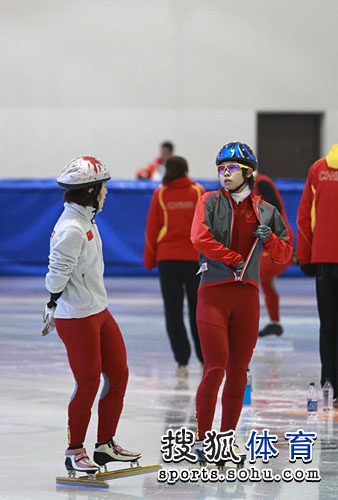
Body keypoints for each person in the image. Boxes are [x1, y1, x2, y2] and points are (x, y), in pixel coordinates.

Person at [190, 142, 292, 460]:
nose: (225, 174)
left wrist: (271, 239)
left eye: (232, 169)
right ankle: (203, 439)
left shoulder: (265, 210)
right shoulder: (208, 201)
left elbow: (287, 251)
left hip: (247, 296)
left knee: (238, 371)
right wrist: (233, 258)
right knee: (215, 366)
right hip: (213, 293)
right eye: (221, 168)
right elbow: (199, 238)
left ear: (249, 173)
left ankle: (225, 439)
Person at [41, 156, 141, 475]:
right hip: (77, 317)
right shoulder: (71, 228)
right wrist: (53, 305)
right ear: (89, 191)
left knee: (118, 373)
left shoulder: (86, 219)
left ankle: (105, 445)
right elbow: (54, 277)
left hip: (98, 309)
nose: (106, 193)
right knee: (87, 383)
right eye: (103, 187)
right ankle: (74, 451)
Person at [144, 156, 205, 375]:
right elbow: (206, 227)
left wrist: (149, 260)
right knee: (199, 310)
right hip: (194, 260)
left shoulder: (160, 194)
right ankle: (204, 357)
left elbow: (152, 230)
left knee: (173, 311)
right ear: (186, 170)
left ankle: (181, 359)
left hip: (167, 260)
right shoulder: (198, 192)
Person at [297, 144, 338, 402]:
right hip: (323, 255)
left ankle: (329, 380)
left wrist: (305, 256)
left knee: (328, 324)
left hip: (323, 258)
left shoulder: (319, 169)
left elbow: (304, 217)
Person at [253, 172, 294, 337]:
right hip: (270, 241)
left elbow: (273, 211)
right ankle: (274, 322)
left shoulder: (262, 183)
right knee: (265, 282)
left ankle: (242, 321)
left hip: (276, 241)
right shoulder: (253, 185)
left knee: (252, 276)